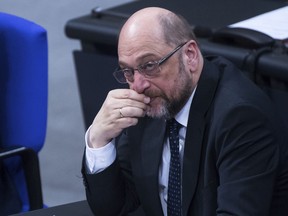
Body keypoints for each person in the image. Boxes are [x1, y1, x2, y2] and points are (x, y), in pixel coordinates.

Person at [82, 7, 288, 216]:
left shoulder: (241, 117)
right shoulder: (149, 103)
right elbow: (115, 208)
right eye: (128, 71)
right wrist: (99, 141)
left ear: (189, 55)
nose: (137, 85)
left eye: (150, 65)